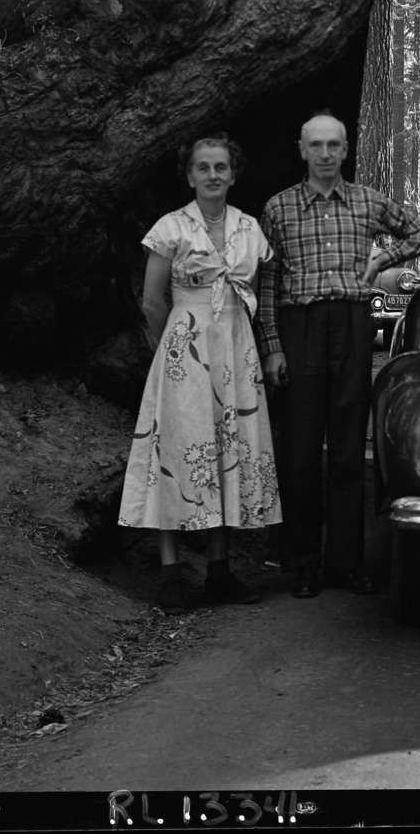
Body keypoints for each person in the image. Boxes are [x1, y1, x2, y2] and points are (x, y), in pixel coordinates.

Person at [258, 111, 420, 599]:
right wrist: (272, 347)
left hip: (354, 324)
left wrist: (384, 259)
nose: (326, 154)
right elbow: (267, 284)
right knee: (299, 450)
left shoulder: (367, 201)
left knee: (351, 447)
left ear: (346, 148)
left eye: (334, 145)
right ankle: (304, 562)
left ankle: (345, 562)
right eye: (317, 145)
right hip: (301, 328)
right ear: (302, 149)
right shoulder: (279, 209)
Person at [119, 134, 281, 610]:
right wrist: (169, 348)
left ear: (233, 174)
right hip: (183, 350)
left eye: (221, 167)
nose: (213, 175)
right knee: (180, 449)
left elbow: (263, 287)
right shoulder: (171, 228)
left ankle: (219, 570)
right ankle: (170, 574)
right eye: (203, 167)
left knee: (227, 449)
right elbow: (151, 302)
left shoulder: (250, 229)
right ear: (190, 176)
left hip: (236, 347)